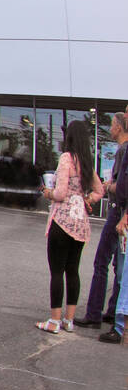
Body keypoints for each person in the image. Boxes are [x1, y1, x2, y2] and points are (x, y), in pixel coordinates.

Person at [37, 119, 103, 333]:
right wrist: (86, 199)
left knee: (57, 271)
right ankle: (69, 320)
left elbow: (60, 193)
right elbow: (99, 191)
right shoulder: (87, 162)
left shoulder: (66, 158)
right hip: (80, 222)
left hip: (62, 221)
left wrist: (48, 193)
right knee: (72, 271)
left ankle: (54, 321)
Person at [76, 111, 128, 329]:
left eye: (113, 125)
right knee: (119, 265)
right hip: (121, 212)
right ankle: (113, 309)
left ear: (119, 127)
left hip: (118, 211)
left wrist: (108, 187)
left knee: (101, 262)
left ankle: (94, 313)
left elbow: (123, 188)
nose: (110, 129)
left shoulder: (123, 151)